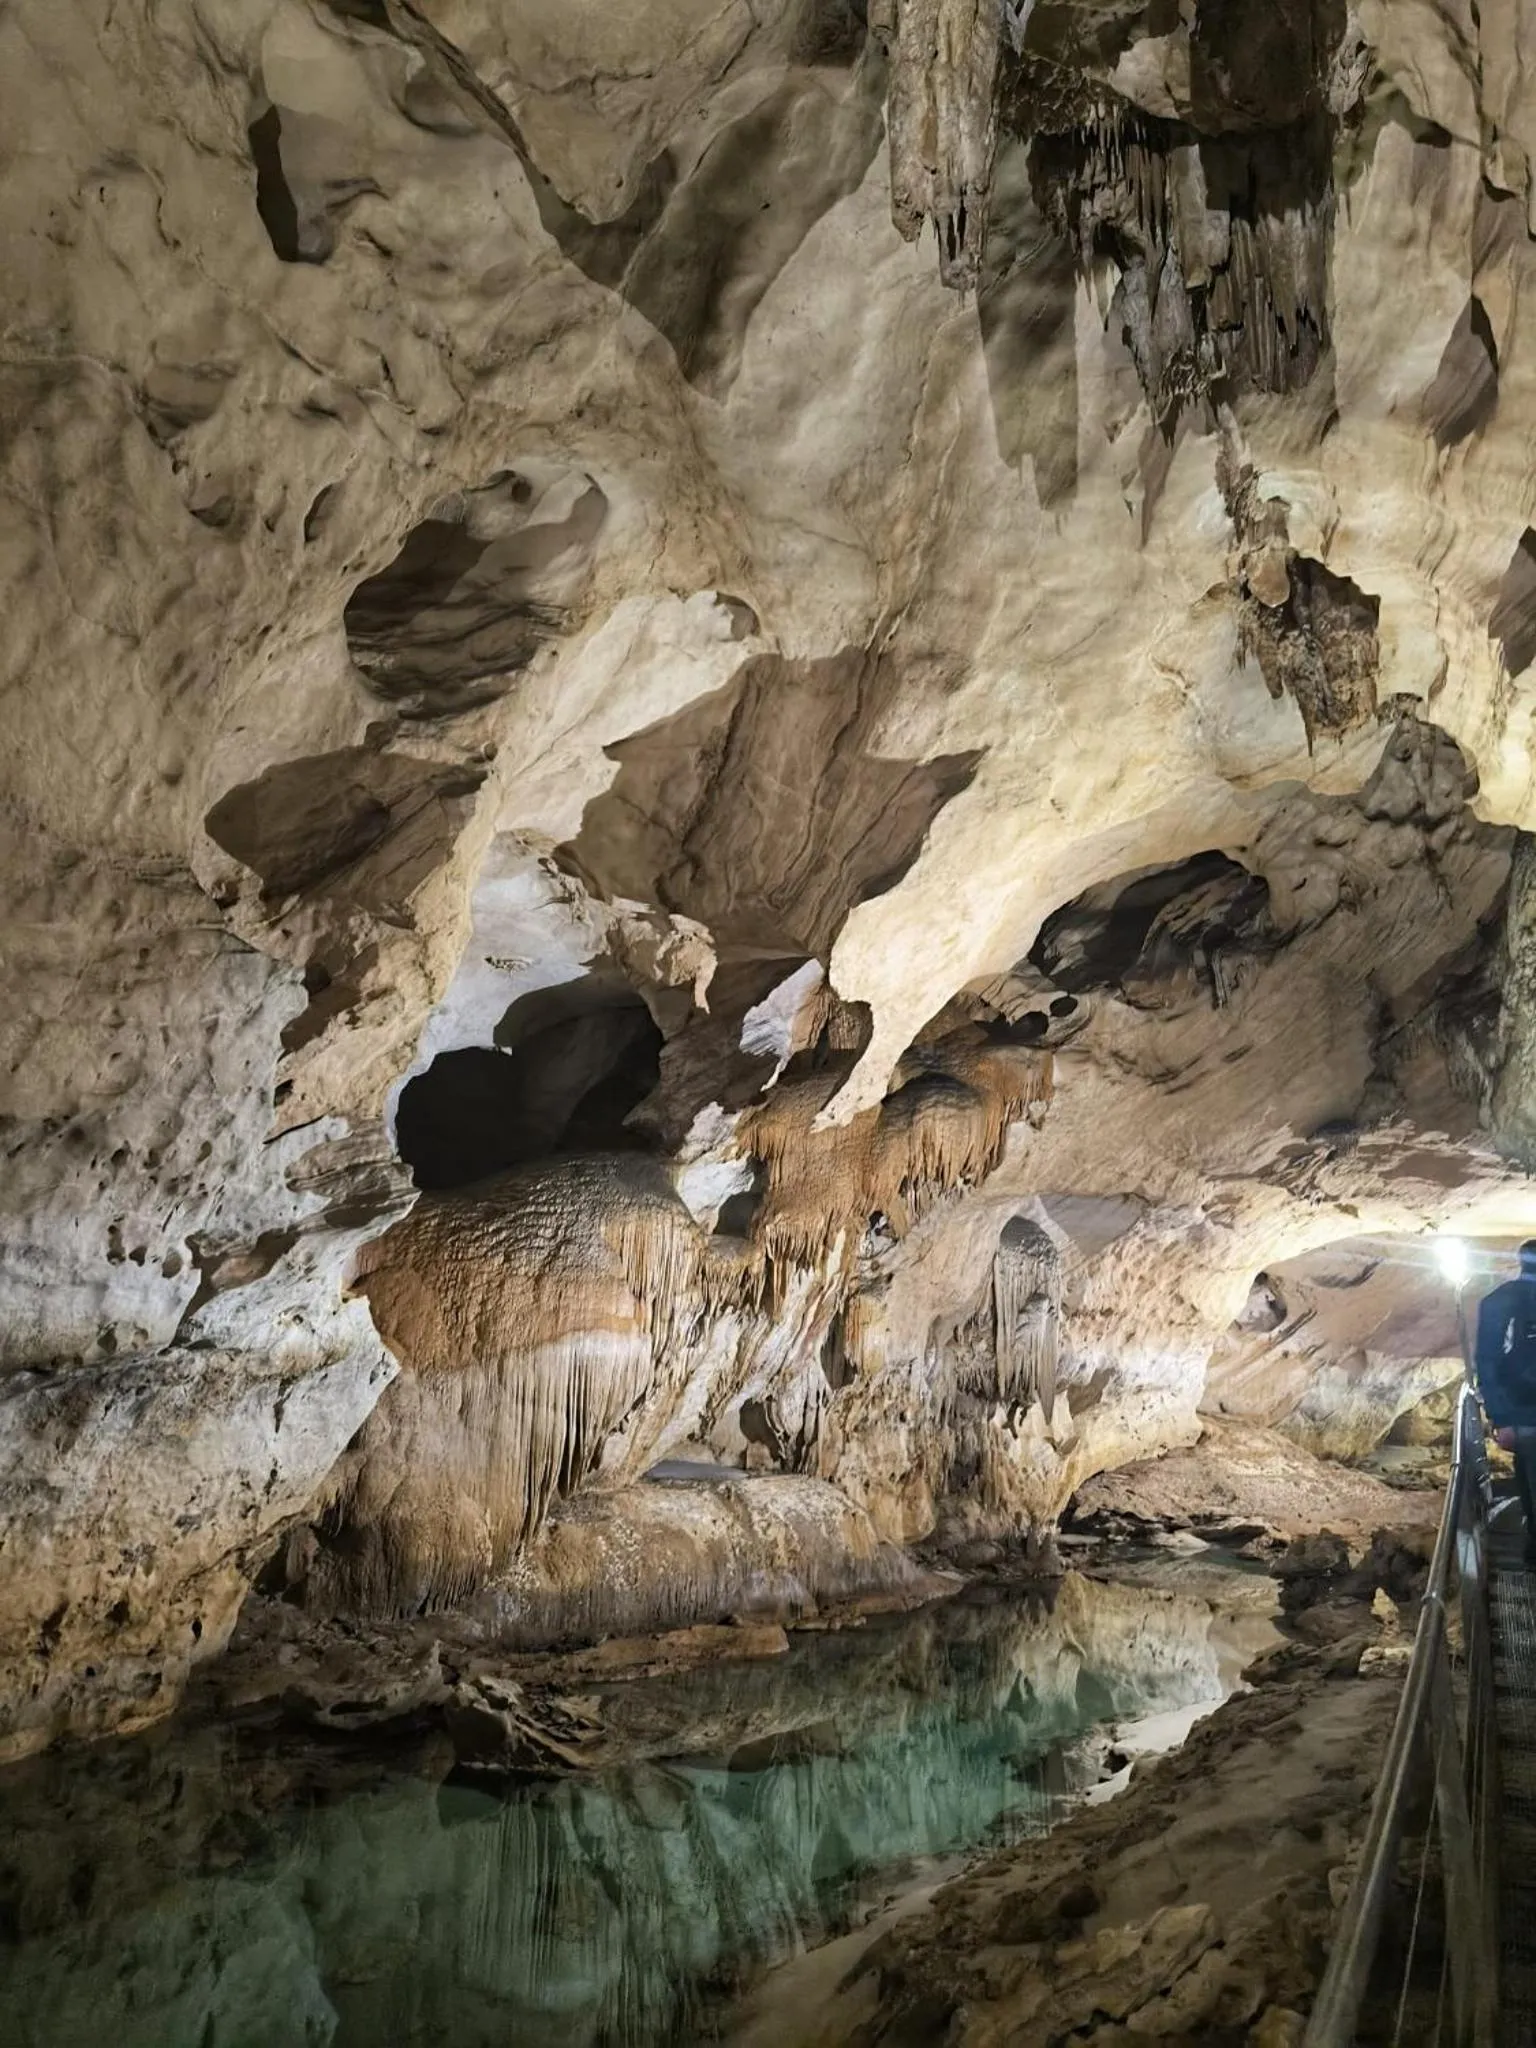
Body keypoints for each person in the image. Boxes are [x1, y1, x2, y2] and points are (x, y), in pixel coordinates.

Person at [1474, 1240, 1536, 1565]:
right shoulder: (1505, 1302)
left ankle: (1532, 1545)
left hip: (1520, 1413)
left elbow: (1487, 1362)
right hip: (1525, 1413)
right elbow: (1489, 1362)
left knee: (1526, 1473)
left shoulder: (1498, 1300)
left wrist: (1500, 1417)